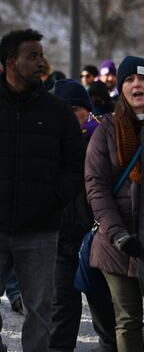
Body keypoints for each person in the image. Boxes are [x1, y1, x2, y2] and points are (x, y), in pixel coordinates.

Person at [85, 56, 144, 352]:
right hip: (116, 244)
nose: (137, 84)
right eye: (129, 80)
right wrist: (118, 234)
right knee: (127, 320)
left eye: (143, 79)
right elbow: (97, 188)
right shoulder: (106, 131)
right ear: (121, 89)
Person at [0, 28, 84, 351]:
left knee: (41, 310)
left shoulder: (57, 112)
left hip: (40, 231)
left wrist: (53, 200)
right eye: (31, 56)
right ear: (10, 62)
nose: (40, 62)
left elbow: (75, 165)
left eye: (41, 55)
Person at [51, 79, 117, 352]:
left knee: (106, 317)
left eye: (77, 109)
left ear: (87, 111)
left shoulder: (103, 140)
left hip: (97, 242)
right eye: (64, 110)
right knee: (62, 316)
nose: (71, 116)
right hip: (61, 243)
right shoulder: (50, 145)